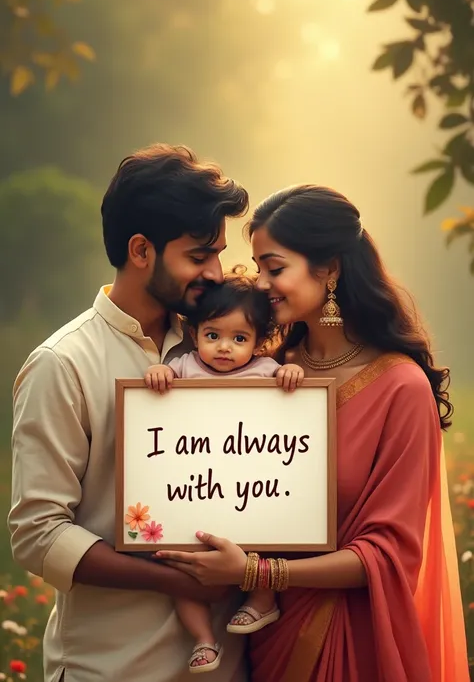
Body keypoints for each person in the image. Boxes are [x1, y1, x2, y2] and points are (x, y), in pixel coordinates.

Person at [153, 185, 470, 682]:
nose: (260, 284)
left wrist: (257, 574)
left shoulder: (401, 388)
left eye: (274, 268)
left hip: (350, 639)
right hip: (260, 640)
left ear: (330, 269)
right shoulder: (266, 373)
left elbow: (388, 557)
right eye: (257, 268)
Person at [8, 144, 251, 682]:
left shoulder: (220, 346)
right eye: (198, 256)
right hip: (111, 667)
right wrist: (176, 580)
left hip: (227, 671)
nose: (216, 272)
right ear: (141, 250)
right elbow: (38, 533)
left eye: (218, 254)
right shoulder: (63, 363)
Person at [145, 270, 304, 673]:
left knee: (267, 536)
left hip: (246, 488)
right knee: (178, 565)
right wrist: (159, 374)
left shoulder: (265, 371)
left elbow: (294, 399)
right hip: (193, 490)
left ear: (258, 342)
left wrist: (292, 373)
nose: (224, 348)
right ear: (194, 331)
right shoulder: (183, 366)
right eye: (213, 335)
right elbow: (156, 394)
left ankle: (263, 600)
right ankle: (204, 640)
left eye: (240, 339)